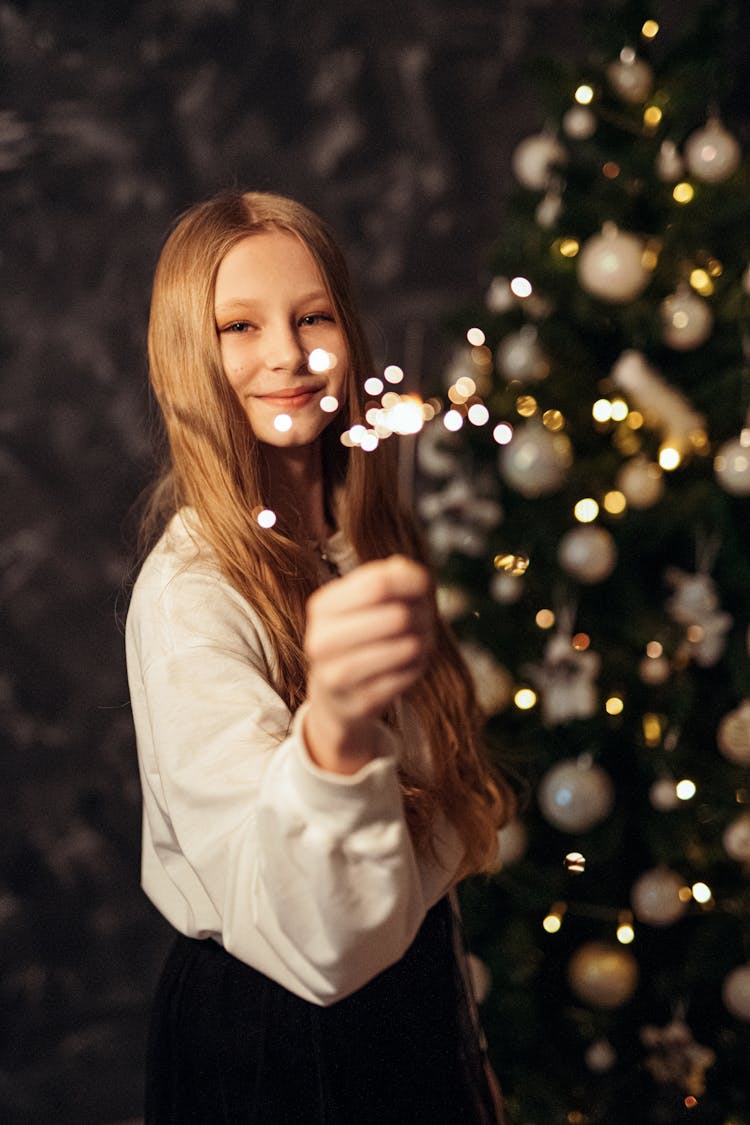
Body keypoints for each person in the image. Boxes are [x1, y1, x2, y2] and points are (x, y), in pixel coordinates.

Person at [126, 189, 514, 1124]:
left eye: (311, 316)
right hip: (280, 1047)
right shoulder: (192, 594)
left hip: (408, 1010)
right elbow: (314, 942)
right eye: (238, 326)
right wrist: (333, 727)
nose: (287, 356)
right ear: (189, 355)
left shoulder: (362, 535)